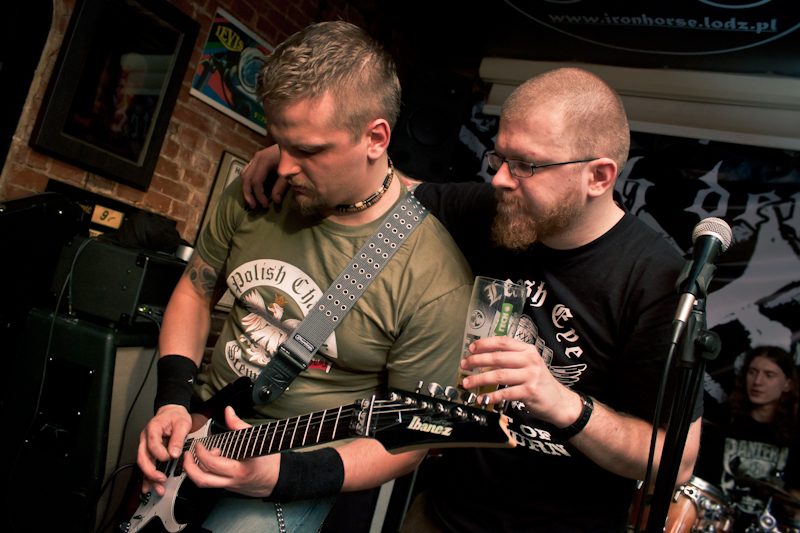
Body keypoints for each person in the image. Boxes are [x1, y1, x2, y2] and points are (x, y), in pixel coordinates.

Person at [242, 67, 703, 532]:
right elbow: (384, 189)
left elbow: (676, 461)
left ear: (599, 176)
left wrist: (563, 404)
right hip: (439, 514)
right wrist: (301, 159)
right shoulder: (496, 210)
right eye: (499, 158)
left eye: (527, 164)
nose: (502, 179)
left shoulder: (658, 283)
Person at [137, 21, 473, 533]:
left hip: (296, 468)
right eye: (278, 143)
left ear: (375, 138)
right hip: (201, 433)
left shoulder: (432, 277)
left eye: (309, 150)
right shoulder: (261, 190)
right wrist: (172, 401)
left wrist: (282, 476)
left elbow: (409, 442)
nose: (285, 166)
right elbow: (195, 290)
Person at [694, 346, 800, 532]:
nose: (757, 381)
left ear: (787, 385)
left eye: (769, 375)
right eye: (752, 372)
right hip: (714, 523)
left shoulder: (795, 437)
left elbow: (793, 500)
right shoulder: (720, 423)